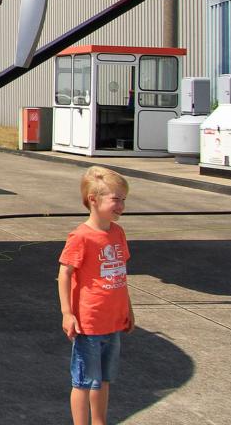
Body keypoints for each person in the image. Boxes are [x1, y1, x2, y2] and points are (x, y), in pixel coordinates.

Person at [58, 166, 136, 425]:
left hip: (112, 323)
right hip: (89, 324)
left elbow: (120, 275)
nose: (121, 205)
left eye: (123, 199)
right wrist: (67, 313)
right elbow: (65, 274)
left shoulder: (118, 233)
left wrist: (128, 310)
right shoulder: (81, 237)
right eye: (116, 199)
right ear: (93, 199)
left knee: (103, 379)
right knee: (83, 381)